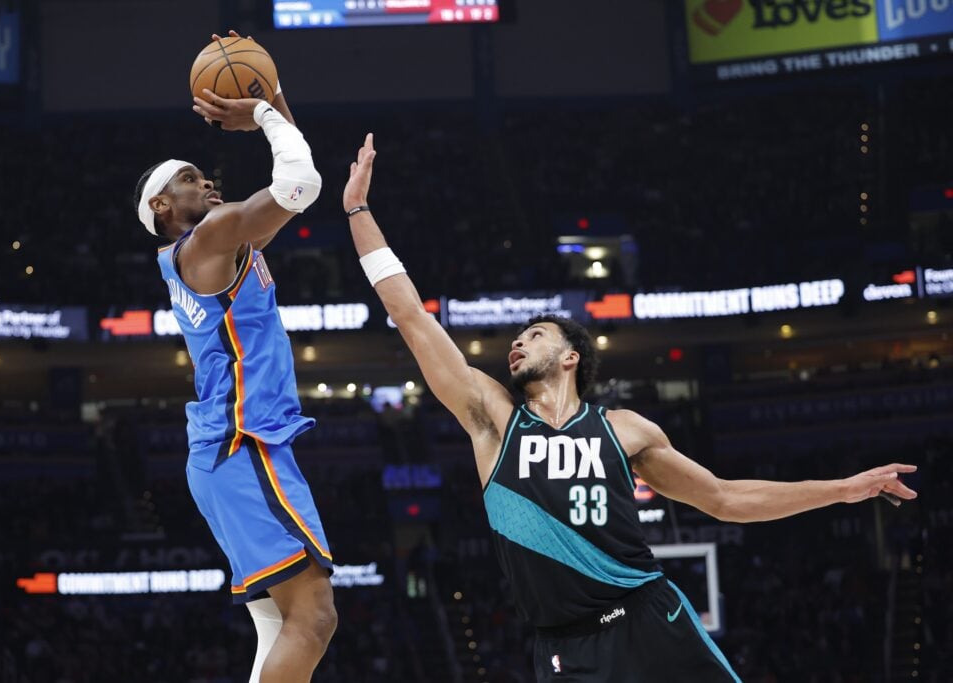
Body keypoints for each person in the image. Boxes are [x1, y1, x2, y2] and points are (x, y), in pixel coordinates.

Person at [341, 133, 919, 682]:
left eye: (535, 334)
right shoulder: (494, 419)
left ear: (571, 358)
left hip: (648, 616)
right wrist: (358, 212)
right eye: (517, 338)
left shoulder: (623, 430)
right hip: (563, 645)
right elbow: (412, 317)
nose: (517, 342)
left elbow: (722, 498)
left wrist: (842, 490)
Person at [133, 32, 335, 683]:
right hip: (240, 444)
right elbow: (302, 183)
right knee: (314, 617)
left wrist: (271, 94)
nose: (206, 179)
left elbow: (293, 192)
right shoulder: (207, 239)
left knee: (281, 624)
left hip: (235, 447)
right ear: (162, 207)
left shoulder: (221, 242)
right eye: (189, 178)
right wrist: (265, 114)